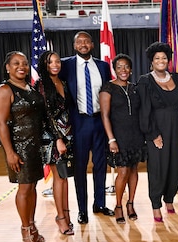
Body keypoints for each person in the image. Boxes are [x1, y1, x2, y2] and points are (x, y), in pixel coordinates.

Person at [59, 31, 113, 224]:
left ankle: (99, 203)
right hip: (78, 123)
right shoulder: (65, 66)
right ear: (74, 46)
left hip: (100, 122)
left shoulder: (103, 66)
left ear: (92, 44)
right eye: (79, 42)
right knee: (80, 168)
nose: (83, 44)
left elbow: (109, 93)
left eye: (86, 41)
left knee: (101, 165)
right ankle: (82, 210)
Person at [0, 51, 45, 242]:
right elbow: (1, 123)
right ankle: (25, 229)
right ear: (7, 67)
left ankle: (32, 226)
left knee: (32, 187)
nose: (21, 66)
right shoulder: (5, 90)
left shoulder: (30, 88)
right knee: (24, 188)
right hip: (19, 147)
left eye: (24, 63)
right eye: (16, 63)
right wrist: (10, 152)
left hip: (35, 146)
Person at [136, 42, 178, 222]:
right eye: (157, 58)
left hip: (174, 128)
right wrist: (152, 134)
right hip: (155, 129)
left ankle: (169, 199)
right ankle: (156, 205)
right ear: (151, 61)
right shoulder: (145, 81)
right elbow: (144, 111)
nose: (161, 61)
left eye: (164, 58)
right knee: (157, 168)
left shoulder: (177, 78)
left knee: (174, 165)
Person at [99, 54, 147, 224]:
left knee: (134, 170)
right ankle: (118, 205)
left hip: (136, 135)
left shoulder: (134, 88)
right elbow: (104, 116)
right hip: (118, 136)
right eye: (119, 67)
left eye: (126, 67)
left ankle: (130, 204)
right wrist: (111, 139)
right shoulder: (108, 88)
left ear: (131, 69)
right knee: (123, 172)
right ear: (114, 69)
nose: (123, 70)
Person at [35, 51, 74, 235]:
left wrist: (66, 136)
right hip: (52, 138)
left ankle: (66, 214)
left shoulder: (63, 82)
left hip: (67, 134)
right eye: (51, 62)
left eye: (57, 61)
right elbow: (46, 115)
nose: (55, 64)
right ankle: (60, 218)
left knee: (64, 177)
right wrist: (58, 138)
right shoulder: (41, 84)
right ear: (45, 65)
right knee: (59, 177)